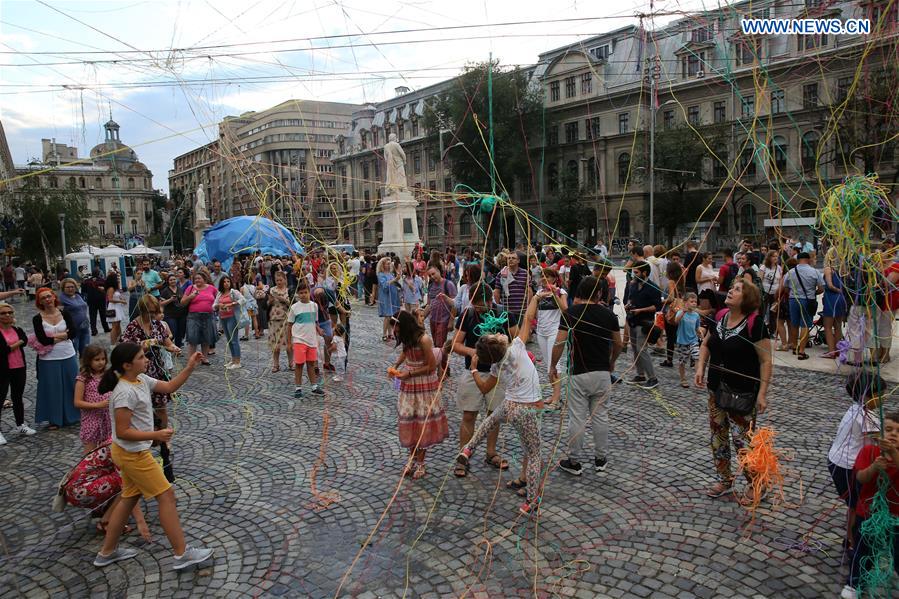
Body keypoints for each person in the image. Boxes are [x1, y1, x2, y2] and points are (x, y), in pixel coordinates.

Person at [92, 343, 214, 570]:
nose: (146, 360)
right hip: (132, 454)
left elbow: (168, 387)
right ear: (127, 365)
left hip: (130, 452)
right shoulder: (124, 392)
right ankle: (181, 554)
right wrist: (156, 434)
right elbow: (122, 431)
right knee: (166, 495)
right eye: (141, 357)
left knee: (128, 498)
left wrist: (189, 367)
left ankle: (106, 553)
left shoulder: (141, 380)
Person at [456, 292, 545, 516]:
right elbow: (528, 318)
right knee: (534, 455)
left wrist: (475, 369)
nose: (499, 332)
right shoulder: (516, 347)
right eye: (497, 334)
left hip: (510, 406)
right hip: (527, 409)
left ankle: (468, 449)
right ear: (501, 343)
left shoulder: (496, 366)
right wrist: (535, 298)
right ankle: (531, 501)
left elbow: (485, 388)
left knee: (488, 421)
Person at [695, 280, 772, 501]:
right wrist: (700, 366)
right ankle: (725, 479)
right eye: (732, 287)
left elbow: (766, 360)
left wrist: (762, 393)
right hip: (715, 389)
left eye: (737, 289)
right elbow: (707, 344)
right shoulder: (720, 316)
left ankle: (757, 483)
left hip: (742, 392)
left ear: (747, 299)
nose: (730, 290)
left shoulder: (755, 323)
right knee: (718, 437)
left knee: (742, 441)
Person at [551, 276, 622, 476]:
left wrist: (552, 365)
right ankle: (600, 459)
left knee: (577, 418)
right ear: (599, 293)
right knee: (600, 417)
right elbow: (619, 343)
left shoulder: (570, 313)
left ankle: (574, 461)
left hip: (578, 373)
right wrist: (612, 361)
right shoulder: (609, 315)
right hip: (601, 372)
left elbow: (559, 342)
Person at [451, 282, 510, 478]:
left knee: (494, 416)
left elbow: (517, 339)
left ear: (490, 300)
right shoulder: (467, 315)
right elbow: (456, 345)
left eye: (481, 304)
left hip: (497, 372)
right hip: (472, 371)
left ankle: (491, 453)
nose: (478, 307)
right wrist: (473, 351)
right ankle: (463, 455)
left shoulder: (502, 313)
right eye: (475, 303)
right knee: (469, 416)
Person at [827, 371, 884, 560]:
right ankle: (852, 542)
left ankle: (849, 539)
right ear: (866, 395)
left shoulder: (854, 409)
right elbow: (871, 449)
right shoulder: (870, 419)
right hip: (848, 466)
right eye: (879, 395)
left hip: (835, 461)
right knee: (855, 505)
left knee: (852, 503)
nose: (883, 399)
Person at [843, 410, 899, 599]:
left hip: (895, 516)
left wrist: (893, 453)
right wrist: (874, 466)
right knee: (862, 550)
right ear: (880, 434)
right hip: (867, 513)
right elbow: (861, 477)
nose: (893, 434)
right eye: (889, 429)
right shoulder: (869, 451)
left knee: (897, 553)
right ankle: (854, 583)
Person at [388, 310, 449, 479]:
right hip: (409, 385)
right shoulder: (407, 338)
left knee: (422, 423)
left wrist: (409, 374)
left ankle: (421, 463)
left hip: (423, 385)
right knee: (410, 422)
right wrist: (396, 365)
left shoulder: (424, 339)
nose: (396, 332)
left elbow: (430, 366)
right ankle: (411, 459)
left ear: (405, 326)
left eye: (397, 329)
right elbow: (405, 352)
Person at [32, 287, 81, 430]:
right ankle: (55, 419)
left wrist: (54, 337)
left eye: (49, 296)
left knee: (71, 385)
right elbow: (43, 340)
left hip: (68, 354)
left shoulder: (64, 313)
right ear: (40, 301)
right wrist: (63, 336)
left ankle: (73, 415)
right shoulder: (37, 318)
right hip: (48, 358)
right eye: (43, 298)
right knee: (53, 388)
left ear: (54, 297)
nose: (47, 299)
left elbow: (72, 333)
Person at [0, 302, 36, 444]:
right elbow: (3, 350)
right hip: (3, 370)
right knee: (1, 398)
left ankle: (21, 424)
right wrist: (18, 343)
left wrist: (14, 345)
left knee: (17, 397)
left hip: (19, 366)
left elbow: (25, 340)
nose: (7, 315)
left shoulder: (17, 329)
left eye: (10, 312)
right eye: (3, 313)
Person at [624, 261, 662, 389]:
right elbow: (630, 299)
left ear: (644, 273)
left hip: (644, 323)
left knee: (642, 350)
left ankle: (653, 378)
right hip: (632, 322)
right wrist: (628, 305)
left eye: (636, 272)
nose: (634, 275)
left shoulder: (653, 288)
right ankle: (640, 375)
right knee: (635, 350)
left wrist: (641, 310)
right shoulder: (633, 285)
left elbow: (657, 307)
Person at [535, 268, 567, 407]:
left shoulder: (561, 292)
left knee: (555, 365)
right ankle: (555, 394)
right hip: (541, 332)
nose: (545, 278)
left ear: (554, 278)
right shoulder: (539, 293)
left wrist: (555, 294)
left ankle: (556, 398)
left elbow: (565, 309)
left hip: (554, 331)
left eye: (548, 276)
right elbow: (535, 312)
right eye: (543, 276)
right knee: (548, 365)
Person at [287, 281, 324, 397]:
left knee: (311, 364)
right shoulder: (294, 308)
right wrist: (289, 342)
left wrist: (318, 329)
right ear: (298, 294)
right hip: (299, 340)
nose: (303, 295)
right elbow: (289, 325)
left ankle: (314, 386)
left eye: (305, 292)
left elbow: (314, 321)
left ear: (309, 292)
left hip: (312, 340)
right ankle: (298, 387)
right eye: (301, 293)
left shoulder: (314, 306)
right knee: (299, 364)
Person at [785, 252, 824, 360]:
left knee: (794, 324)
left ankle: (794, 347)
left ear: (798, 260)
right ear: (808, 259)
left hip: (793, 300)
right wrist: (813, 293)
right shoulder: (815, 272)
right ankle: (802, 351)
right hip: (808, 300)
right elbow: (821, 289)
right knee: (805, 325)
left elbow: (786, 288)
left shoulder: (791, 272)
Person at [73, 345, 112, 454]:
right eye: (97, 360)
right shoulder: (83, 379)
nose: (101, 362)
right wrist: (98, 405)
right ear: (88, 360)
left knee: (108, 450)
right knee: (90, 452)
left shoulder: (107, 375)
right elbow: (77, 402)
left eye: (103, 359)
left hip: (108, 418)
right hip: (92, 420)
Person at [181, 272, 217, 365]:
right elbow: (182, 302)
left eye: (199, 278)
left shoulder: (211, 288)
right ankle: (191, 359)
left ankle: (204, 358)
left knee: (206, 338)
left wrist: (217, 306)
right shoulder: (190, 288)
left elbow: (218, 299)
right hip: (194, 316)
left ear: (204, 279)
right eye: (196, 279)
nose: (197, 280)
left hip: (208, 316)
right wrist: (191, 296)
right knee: (193, 338)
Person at [496, 251, 532, 336]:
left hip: (521, 311)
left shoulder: (525, 274)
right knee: (507, 336)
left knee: (521, 336)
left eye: (513, 258)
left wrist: (529, 307)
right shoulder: (501, 274)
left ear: (518, 261)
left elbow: (529, 291)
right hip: (507, 311)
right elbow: (497, 292)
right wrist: (497, 308)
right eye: (509, 258)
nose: (510, 260)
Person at [423, 265, 456, 355]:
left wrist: (451, 321)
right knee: (436, 345)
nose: (432, 277)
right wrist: (421, 317)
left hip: (443, 320)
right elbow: (429, 305)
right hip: (433, 320)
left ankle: (443, 366)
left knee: (439, 345)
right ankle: (441, 365)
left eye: (433, 274)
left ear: (439, 272)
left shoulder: (448, 284)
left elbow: (455, 304)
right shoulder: (431, 286)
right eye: (430, 276)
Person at [213, 275, 244, 370]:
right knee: (229, 340)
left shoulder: (234, 292)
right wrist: (218, 305)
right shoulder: (220, 293)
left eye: (228, 281)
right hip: (223, 318)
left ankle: (237, 361)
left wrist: (233, 303)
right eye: (224, 282)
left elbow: (243, 299)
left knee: (234, 339)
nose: (226, 283)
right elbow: (213, 305)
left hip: (232, 317)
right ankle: (233, 359)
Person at [822, 248, 848, 359]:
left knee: (827, 326)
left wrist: (838, 290)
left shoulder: (828, 269)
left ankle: (831, 352)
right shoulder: (843, 269)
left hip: (831, 298)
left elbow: (830, 285)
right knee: (838, 326)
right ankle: (838, 350)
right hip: (841, 299)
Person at [673, 293, 702, 388]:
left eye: (695, 302)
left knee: (697, 357)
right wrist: (683, 312)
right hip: (682, 342)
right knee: (682, 362)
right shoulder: (681, 312)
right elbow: (676, 321)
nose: (694, 303)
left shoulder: (696, 315)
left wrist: (700, 334)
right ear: (685, 302)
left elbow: (697, 328)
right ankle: (683, 379)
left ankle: (698, 378)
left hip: (693, 340)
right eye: (691, 301)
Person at [58, 278, 91, 355]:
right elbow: (58, 314)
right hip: (73, 330)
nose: (70, 289)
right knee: (73, 353)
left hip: (84, 328)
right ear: (63, 288)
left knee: (85, 353)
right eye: (68, 287)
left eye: (72, 287)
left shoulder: (77, 296)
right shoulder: (61, 299)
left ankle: (84, 367)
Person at [267, 271, 291, 372]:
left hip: (285, 319)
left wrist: (283, 300)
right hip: (274, 318)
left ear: (285, 280)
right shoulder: (272, 290)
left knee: (289, 343)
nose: (279, 282)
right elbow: (267, 304)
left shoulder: (288, 290)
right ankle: (276, 364)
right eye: (277, 280)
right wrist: (270, 301)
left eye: (281, 280)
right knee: (275, 345)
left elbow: (291, 303)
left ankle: (291, 363)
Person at [377, 258, 401, 342]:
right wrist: (394, 280)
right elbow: (384, 285)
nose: (388, 265)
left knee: (392, 315)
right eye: (387, 263)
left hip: (393, 295)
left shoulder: (390, 274)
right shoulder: (381, 274)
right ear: (382, 265)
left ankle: (390, 333)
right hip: (386, 297)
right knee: (387, 316)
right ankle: (384, 334)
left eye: (389, 263)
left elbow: (394, 283)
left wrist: (397, 279)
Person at [159, 274, 187, 347]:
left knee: (180, 332)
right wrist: (170, 300)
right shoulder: (165, 290)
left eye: (174, 279)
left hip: (181, 314)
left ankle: (178, 348)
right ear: (168, 281)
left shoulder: (180, 289)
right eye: (171, 280)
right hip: (170, 315)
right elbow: (161, 303)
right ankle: (168, 346)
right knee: (172, 331)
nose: (173, 281)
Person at [106, 274, 128, 345]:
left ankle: (119, 339)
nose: (118, 280)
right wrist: (121, 301)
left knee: (118, 325)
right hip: (113, 307)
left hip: (117, 307)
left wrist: (121, 299)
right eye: (117, 279)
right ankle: (113, 343)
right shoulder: (111, 288)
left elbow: (117, 296)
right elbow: (110, 299)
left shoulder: (115, 288)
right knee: (114, 326)